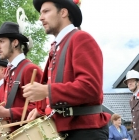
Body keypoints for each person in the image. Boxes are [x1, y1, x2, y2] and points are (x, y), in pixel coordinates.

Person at [22, 0, 111, 140]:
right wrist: (40, 110)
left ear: (63, 12)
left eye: (46, 11)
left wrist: (46, 91)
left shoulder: (81, 38)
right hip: (65, 130)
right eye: (41, 13)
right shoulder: (57, 47)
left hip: (86, 131)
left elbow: (90, 88)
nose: (41, 18)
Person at [0, 21, 43, 131]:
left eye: (1, 41)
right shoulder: (10, 70)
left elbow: (40, 108)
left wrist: (7, 112)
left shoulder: (29, 69)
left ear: (15, 42)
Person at [123, 69, 139, 140]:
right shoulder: (132, 99)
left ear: (138, 82)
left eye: (132, 81)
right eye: (128, 82)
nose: (129, 84)